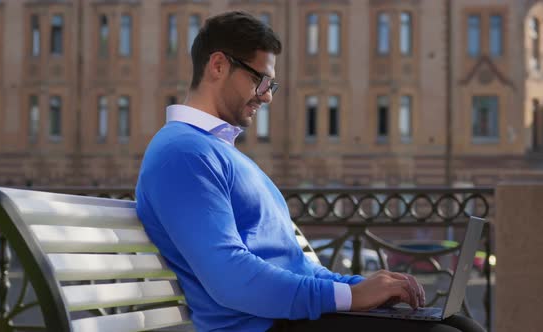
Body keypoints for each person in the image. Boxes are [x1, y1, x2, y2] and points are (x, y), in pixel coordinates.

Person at [135, 11, 485, 332]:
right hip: (260, 325)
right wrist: (351, 298)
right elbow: (230, 278)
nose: (267, 97)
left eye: (270, 86)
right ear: (218, 66)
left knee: (461, 325)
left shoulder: (222, 153)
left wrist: (363, 287)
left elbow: (298, 268)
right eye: (261, 80)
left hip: (287, 316)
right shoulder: (182, 152)